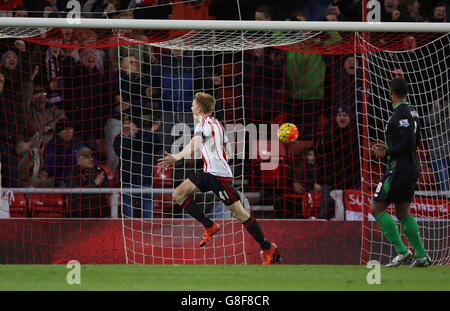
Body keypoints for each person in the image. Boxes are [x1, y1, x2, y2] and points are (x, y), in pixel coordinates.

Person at [157, 92, 280, 265]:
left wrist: (177, 157)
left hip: (219, 176)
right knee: (178, 194)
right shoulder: (216, 124)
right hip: (209, 172)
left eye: (193, 104)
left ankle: (268, 247)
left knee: (240, 213)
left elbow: (195, 143)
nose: (191, 106)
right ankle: (209, 225)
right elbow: (228, 149)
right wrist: (219, 159)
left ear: (199, 108)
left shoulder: (204, 124)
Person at [370, 77, 431, 268]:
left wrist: (386, 151)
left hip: (399, 168)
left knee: (376, 208)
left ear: (391, 93)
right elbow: (416, 140)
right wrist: (390, 146)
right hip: (411, 166)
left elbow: (408, 142)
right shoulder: (413, 112)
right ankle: (421, 256)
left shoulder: (400, 114)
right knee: (402, 211)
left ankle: (403, 252)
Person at [113, 117, 162, 218]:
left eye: (129, 122)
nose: (126, 125)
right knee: (127, 220)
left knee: (148, 220)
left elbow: (157, 146)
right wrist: (133, 137)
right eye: (124, 123)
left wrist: (152, 133)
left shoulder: (146, 136)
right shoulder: (119, 139)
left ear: (135, 125)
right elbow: (122, 152)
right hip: (128, 184)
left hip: (146, 183)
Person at [68, 146, 112, 218]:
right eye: (87, 157)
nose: (91, 159)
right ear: (79, 160)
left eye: (91, 156)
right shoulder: (73, 173)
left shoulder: (99, 170)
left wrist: (104, 183)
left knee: (107, 210)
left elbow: (108, 189)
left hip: (98, 207)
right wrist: (95, 183)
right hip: (81, 208)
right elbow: (76, 194)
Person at [424, 98, 450, 193]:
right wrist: (438, 107)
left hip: (445, 151)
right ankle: (444, 204)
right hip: (437, 153)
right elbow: (432, 121)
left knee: (444, 183)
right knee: (443, 185)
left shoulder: (446, 115)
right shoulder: (430, 116)